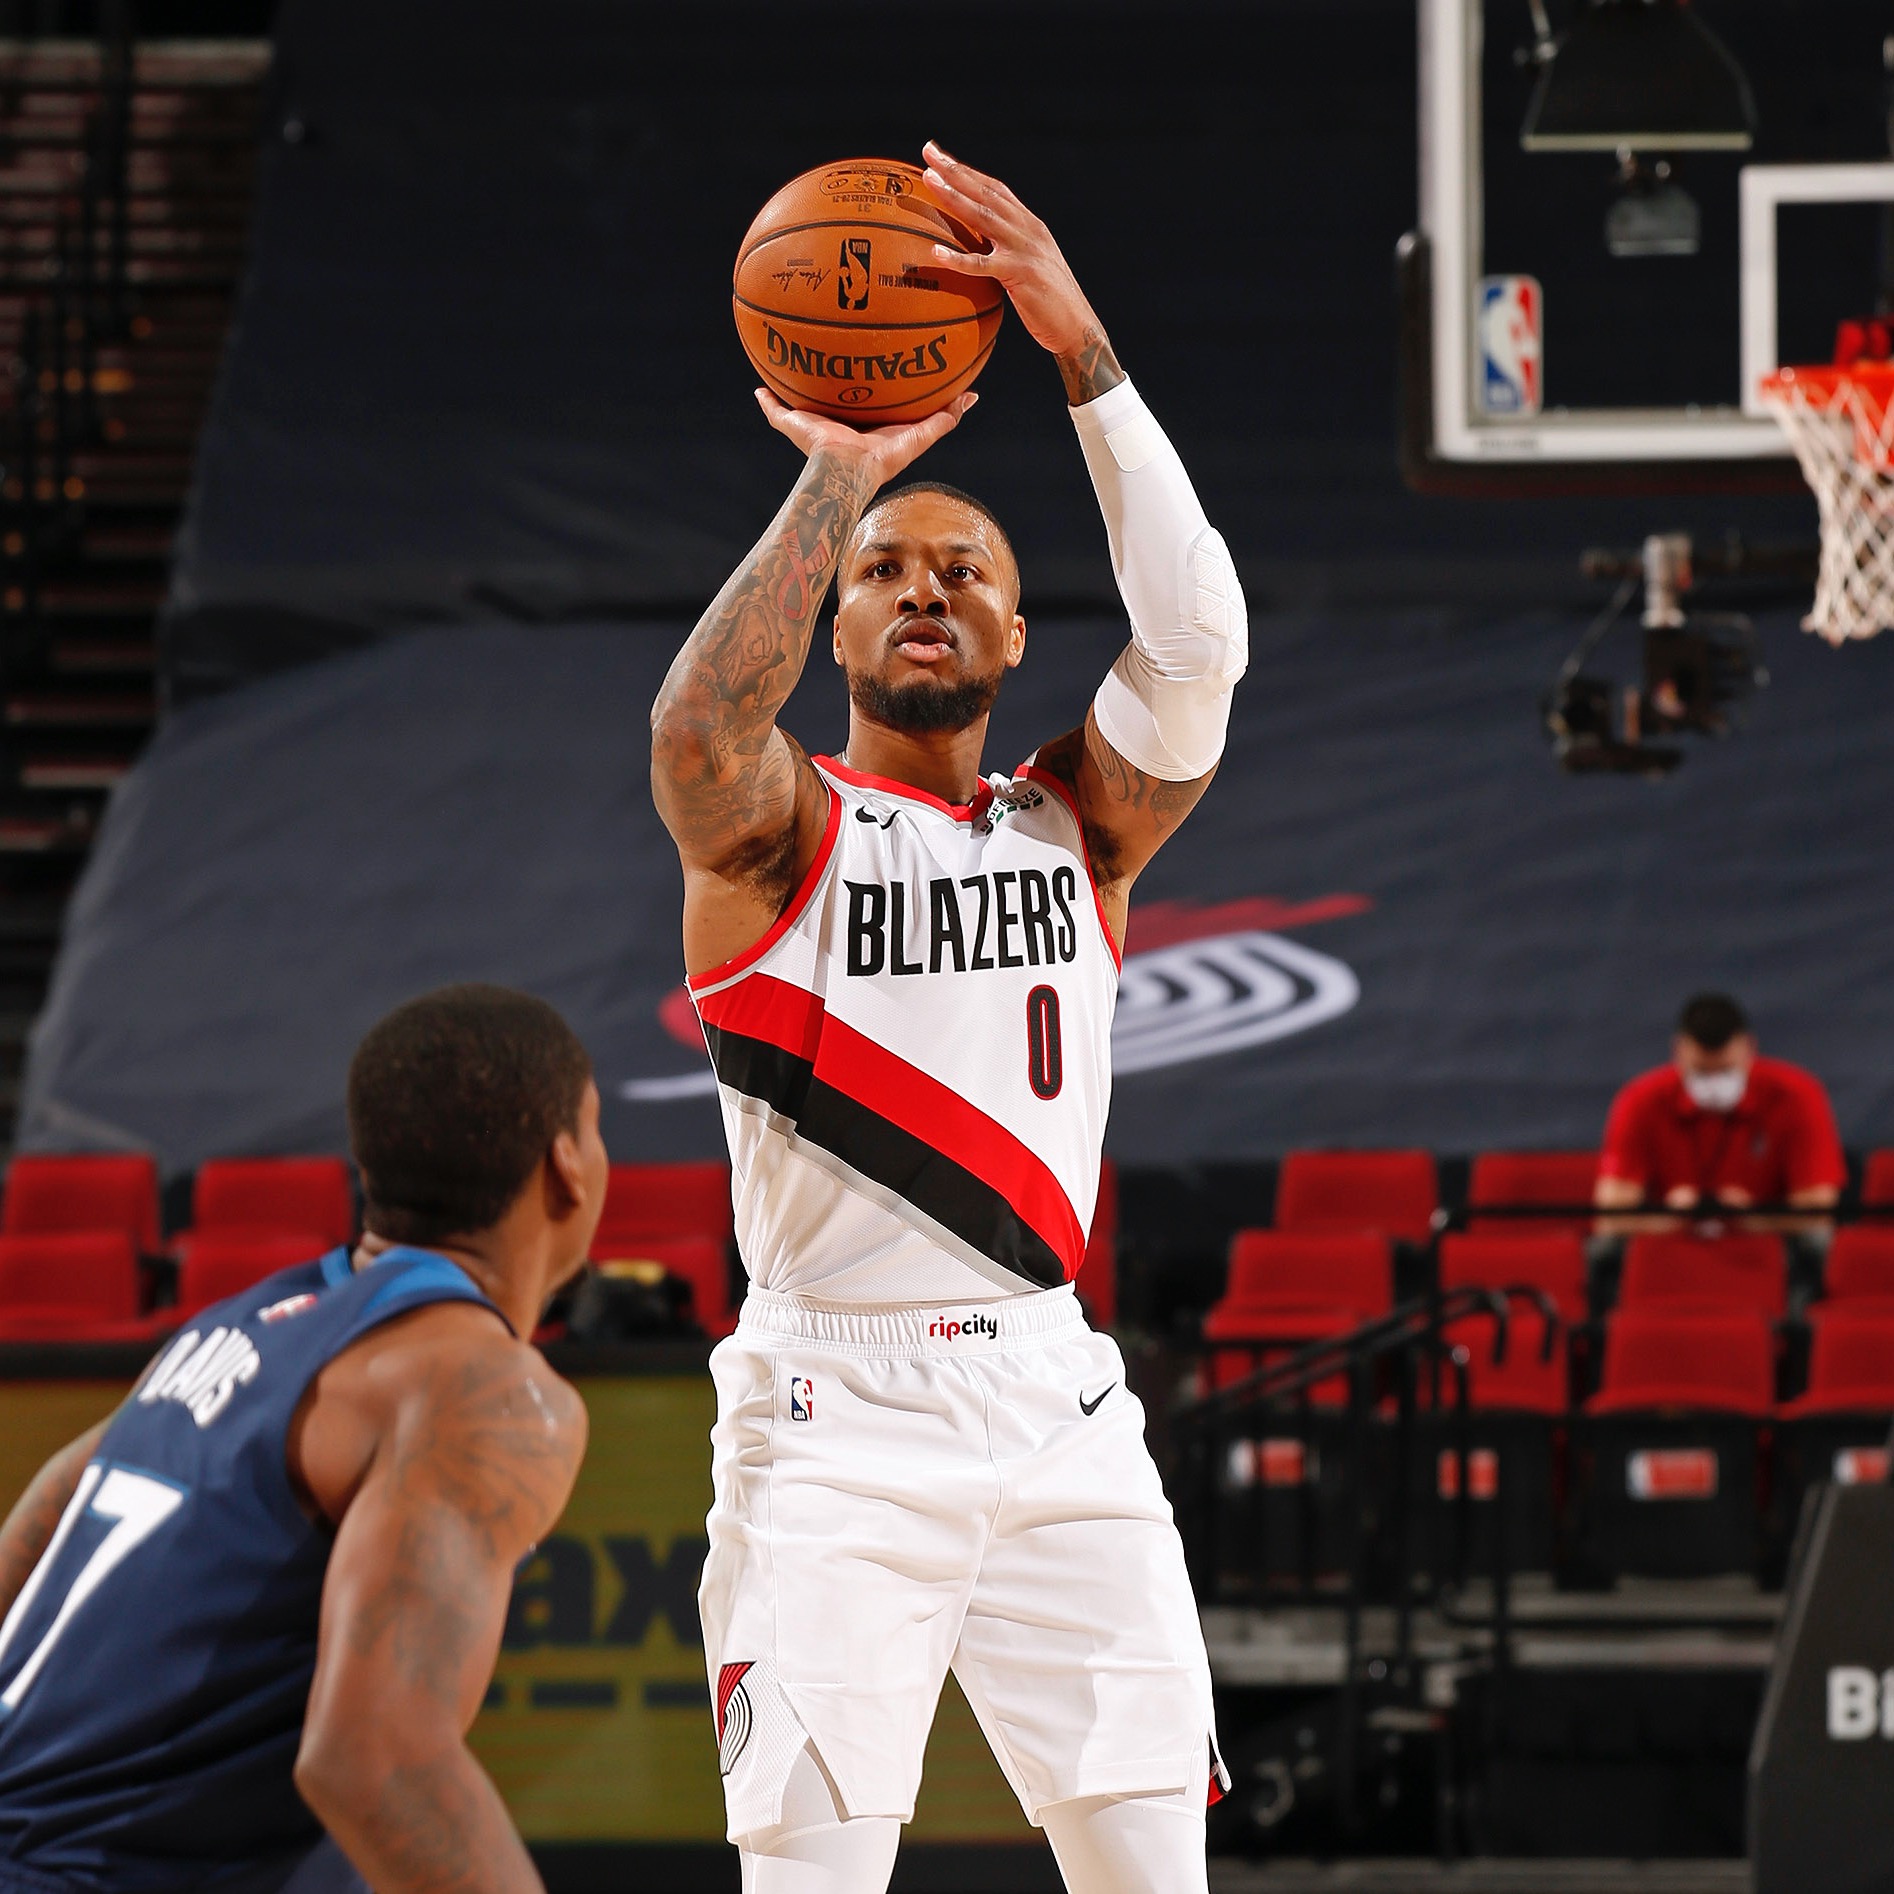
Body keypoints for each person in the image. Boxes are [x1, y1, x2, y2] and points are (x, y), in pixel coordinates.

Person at [650, 143, 1245, 1894]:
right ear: (833, 619)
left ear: (1014, 622)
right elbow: (693, 728)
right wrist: (837, 478)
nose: (925, 585)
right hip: (831, 1407)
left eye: (966, 568)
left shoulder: (1079, 823)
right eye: (889, 568)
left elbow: (1197, 639)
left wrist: (1085, 356)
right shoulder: (776, 833)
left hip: (1056, 1393)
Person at [0, 984, 606, 1894]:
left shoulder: (239, 1328)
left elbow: (54, 1502)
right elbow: (375, 1766)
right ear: (568, 1163)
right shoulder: (489, 1389)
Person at [1593, 992, 1844, 1219]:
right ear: (1678, 1051)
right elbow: (1611, 1213)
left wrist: (1752, 1218)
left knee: (1817, 1244)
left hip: (1774, 1245)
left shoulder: (1796, 1094)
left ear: (1749, 1049)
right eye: (1701, 1072)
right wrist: (1670, 1217)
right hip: (1666, 1243)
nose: (1713, 1083)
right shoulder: (1640, 1099)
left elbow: (1818, 1209)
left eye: (1725, 1071)